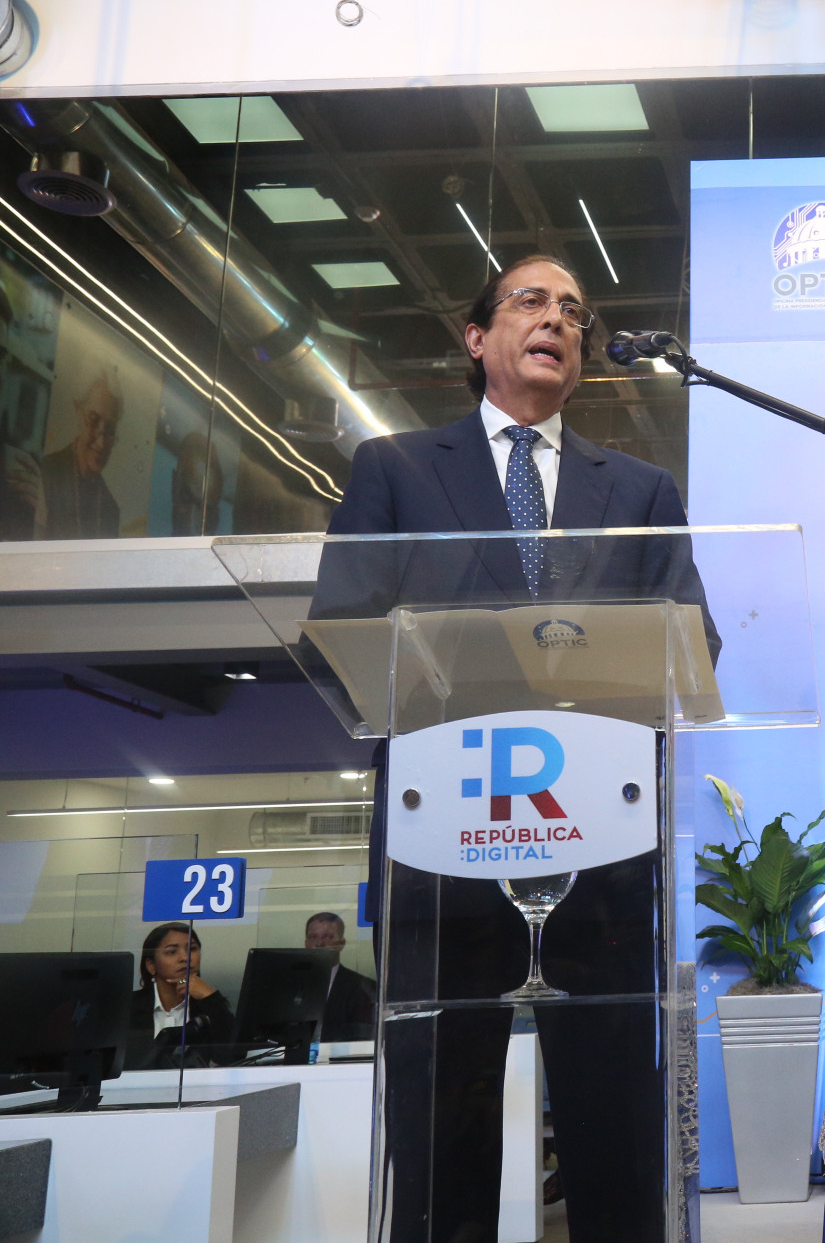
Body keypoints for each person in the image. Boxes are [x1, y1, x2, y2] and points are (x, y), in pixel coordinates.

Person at [316, 254, 717, 1243]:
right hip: (442, 847)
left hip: (597, 843)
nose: (559, 321)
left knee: (612, 1117)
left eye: (575, 311)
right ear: (477, 336)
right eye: (533, 302)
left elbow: (691, 641)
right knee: (441, 1114)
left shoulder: (641, 488)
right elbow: (343, 634)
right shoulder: (397, 469)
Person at [17, 373, 123, 540]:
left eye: (110, 429)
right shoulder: (44, 473)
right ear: (78, 413)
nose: (102, 443)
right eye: (93, 420)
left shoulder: (111, 510)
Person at [124, 922, 234, 1071]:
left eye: (192, 949)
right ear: (151, 965)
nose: (185, 957)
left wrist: (210, 998)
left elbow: (234, 1057)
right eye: (171, 952)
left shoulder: (210, 1008)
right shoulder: (126, 1008)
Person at [303, 910, 377, 1041]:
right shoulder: (288, 986)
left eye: (328, 937)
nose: (319, 944)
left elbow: (363, 1039)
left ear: (341, 943)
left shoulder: (363, 989)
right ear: (306, 943)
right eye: (313, 937)